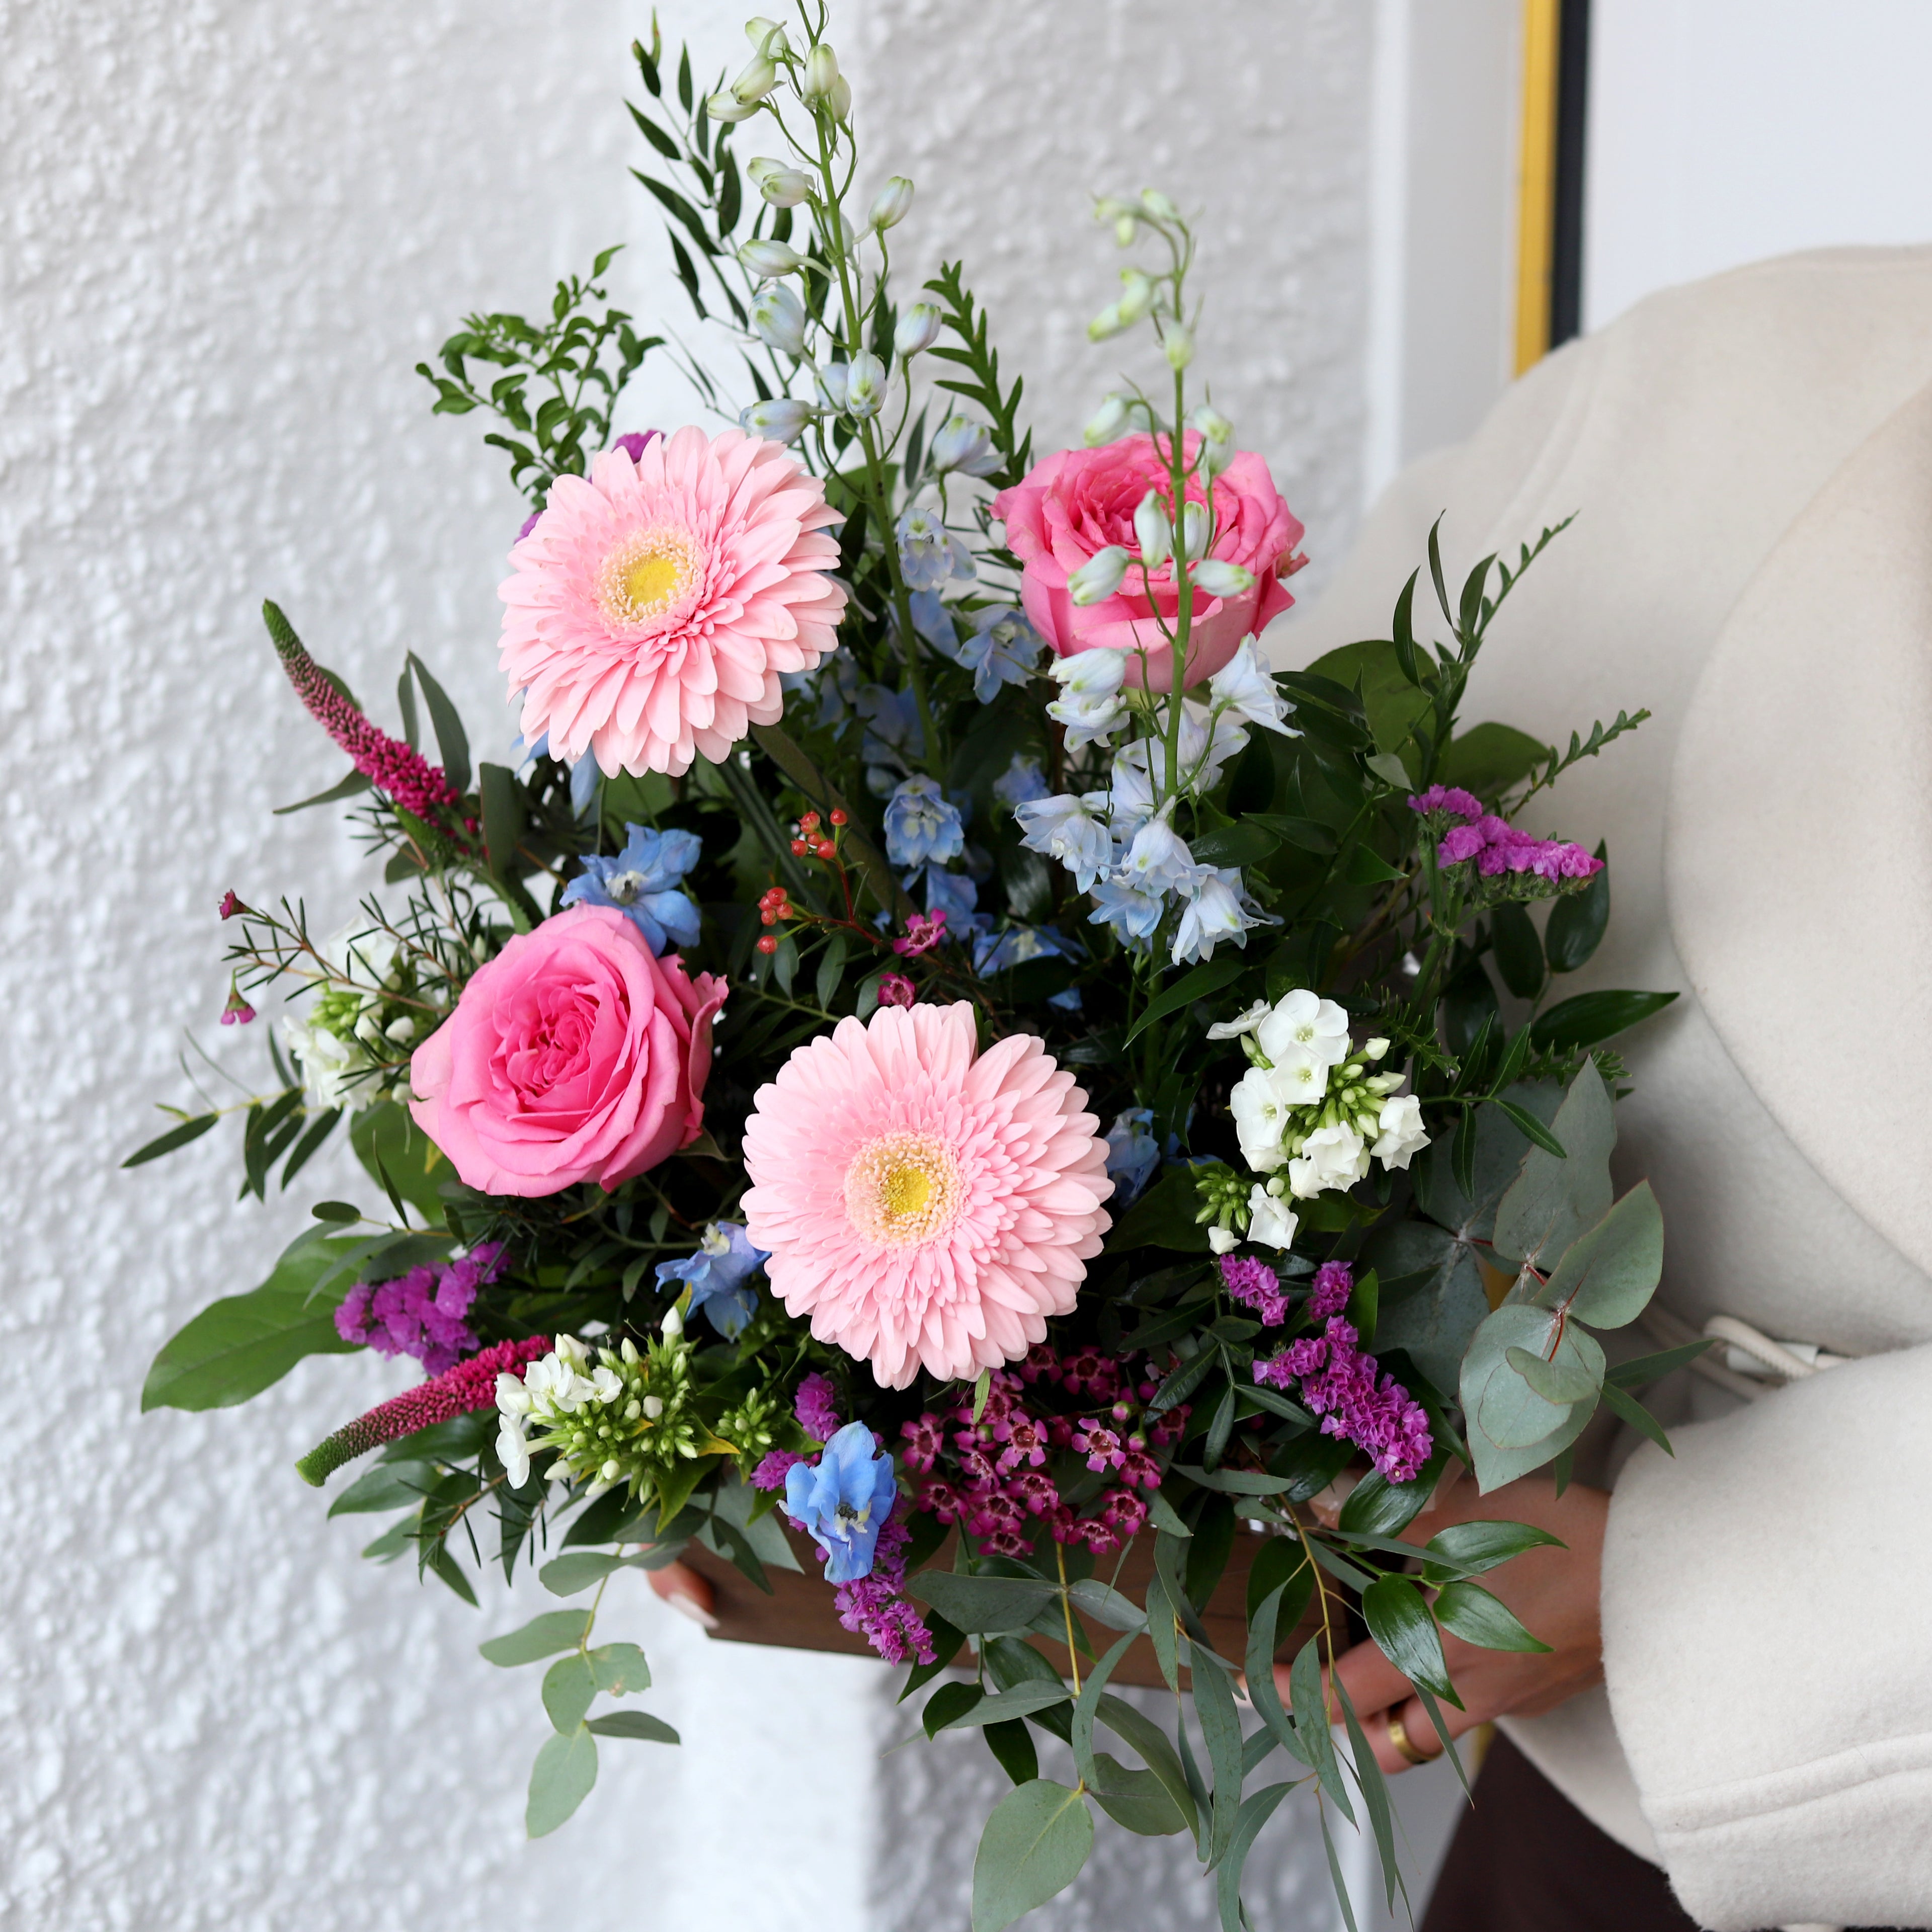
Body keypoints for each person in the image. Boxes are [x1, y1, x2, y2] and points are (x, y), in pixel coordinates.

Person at [1274, 246, 1932, 1932]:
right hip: (1588, 1787)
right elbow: (1238, 846)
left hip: (1782, 1744)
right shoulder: (1720, 376)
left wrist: (1669, 1585)